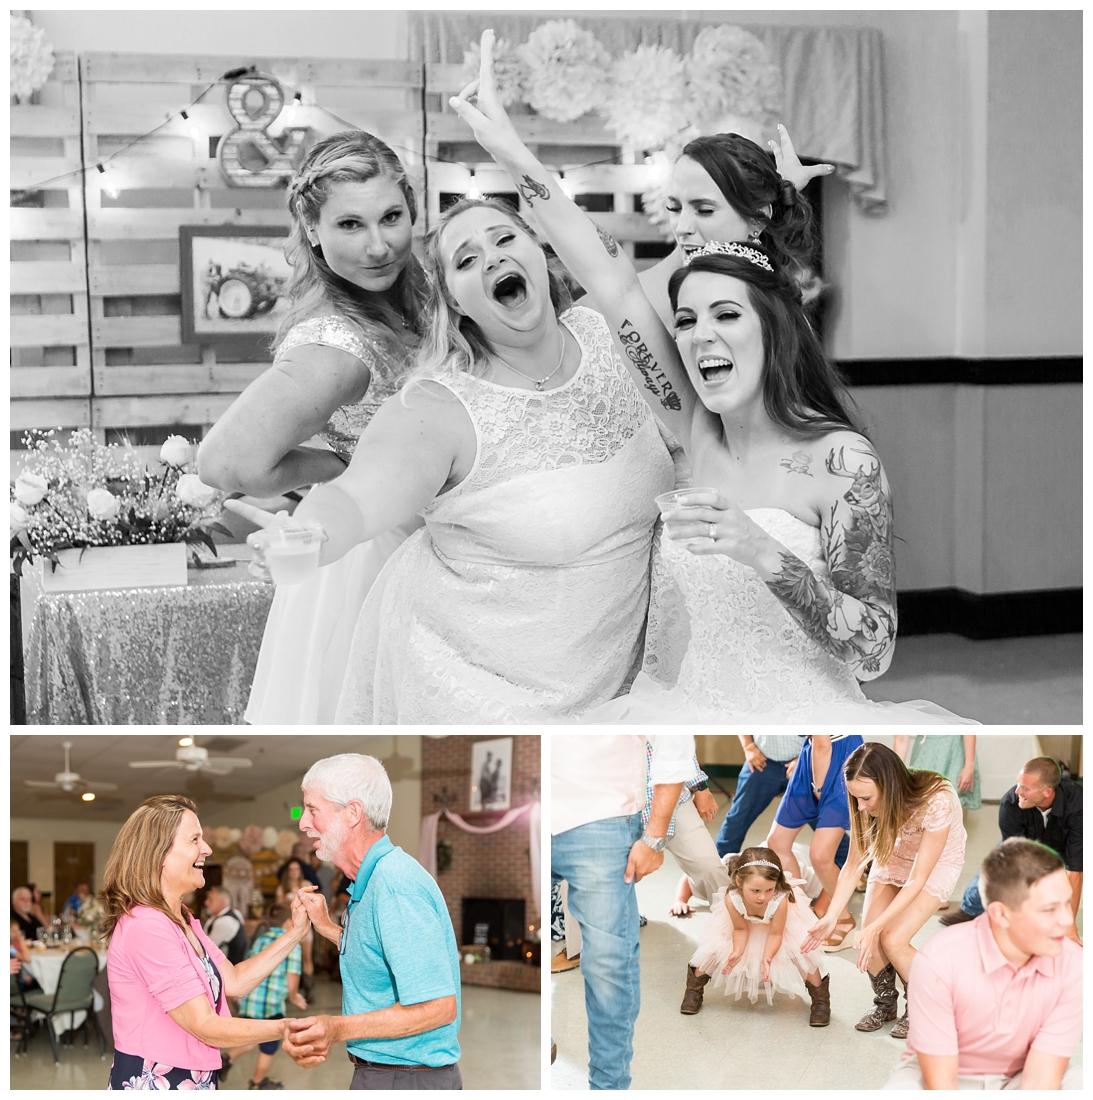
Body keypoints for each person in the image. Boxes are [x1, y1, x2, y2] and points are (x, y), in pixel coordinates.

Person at [452, 30, 977, 727]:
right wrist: (508, 149)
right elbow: (603, 275)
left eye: (724, 315)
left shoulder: (841, 461)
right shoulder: (691, 431)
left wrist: (763, 553)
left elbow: (875, 651)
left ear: (771, 325)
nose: (697, 337)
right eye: (687, 320)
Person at [232, 195, 675, 723]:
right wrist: (309, 537)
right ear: (456, 302)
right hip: (478, 694)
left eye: (505, 239)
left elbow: (698, 255)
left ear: (539, 252)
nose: (491, 259)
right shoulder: (436, 407)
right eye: (466, 260)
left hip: (618, 685)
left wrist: (775, 194)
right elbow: (356, 499)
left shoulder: (611, 331)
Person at [198, 130, 429, 724]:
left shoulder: (419, 302)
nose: (379, 246)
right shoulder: (338, 345)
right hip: (380, 559)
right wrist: (345, 466)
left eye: (391, 217)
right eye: (351, 225)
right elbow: (224, 463)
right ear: (314, 233)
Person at [102, 795, 315, 1090]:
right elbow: (204, 1025)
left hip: (194, 1074)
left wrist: (295, 932)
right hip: (158, 1078)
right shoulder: (147, 925)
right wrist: (286, 1027)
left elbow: (236, 981)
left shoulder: (183, 918)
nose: (207, 849)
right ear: (158, 854)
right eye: (194, 840)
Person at [282, 754, 462, 1089]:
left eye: (312, 809)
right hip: (390, 1074)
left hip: (405, 1079)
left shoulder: (394, 884)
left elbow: (438, 1007)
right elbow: (381, 952)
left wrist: (336, 1028)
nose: (303, 823)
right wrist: (328, 928)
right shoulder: (374, 878)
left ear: (352, 813)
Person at [552, 735, 694, 1090]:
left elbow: (671, 737)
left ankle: (608, 1087)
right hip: (526, 806)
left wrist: (655, 836)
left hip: (599, 814)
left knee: (607, 966)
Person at [884, 839, 1082, 1090]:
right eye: (1049, 909)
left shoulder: (1074, 964)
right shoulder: (938, 961)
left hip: (1024, 1072)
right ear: (1000, 914)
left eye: (1067, 903)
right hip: (939, 1073)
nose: (1067, 920)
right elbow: (941, 1083)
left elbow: (1041, 1078)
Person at [801, 742, 967, 1041]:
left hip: (933, 863)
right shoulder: (863, 802)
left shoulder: (937, 799)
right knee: (871, 941)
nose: (861, 806)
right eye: (856, 798)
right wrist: (832, 916)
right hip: (892, 854)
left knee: (892, 938)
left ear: (888, 785)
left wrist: (876, 926)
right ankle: (885, 1003)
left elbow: (918, 879)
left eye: (866, 798)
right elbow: (853, 865)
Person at [686, 846, 831, 1026]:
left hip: (780, 928)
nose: (762, 897)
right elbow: (740, 929)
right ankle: (693, 991)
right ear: (739, 882)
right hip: (745, 926)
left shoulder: (779, 899)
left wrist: (767, 957)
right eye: (755, 891)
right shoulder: (732, 898)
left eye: (769, 889)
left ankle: (821, 1001)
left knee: (801, 951)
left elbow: (776, 933)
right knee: (714, 948)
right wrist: (738, 951)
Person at [940, 757, 1081, 941]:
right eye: (1018, 784)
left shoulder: (1080, 804)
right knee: (999, 865)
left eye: (1025, 788)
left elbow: (1075, 871)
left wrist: (1069, 927)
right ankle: (970, 909)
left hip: (1065, 844)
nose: (1017, 791)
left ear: (1047, 792)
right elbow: (1018, 863)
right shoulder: (1011, 802)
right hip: (1026, 845)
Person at [765, 735, 857, 947]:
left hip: (837, 759)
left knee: (820, 855)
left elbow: (824, 742)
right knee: (777, 843)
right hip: (812, 756)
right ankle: (804, 915)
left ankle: (843, 918)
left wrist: (818, 786)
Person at [222, 903, 309, 1092]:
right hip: (270, 1004)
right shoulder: (292, 941)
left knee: (253, 1037)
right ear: (288, 921)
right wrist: (294, 997)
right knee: (270, 1043)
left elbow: (249, 964)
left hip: (251, 999)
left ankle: (227, 1059)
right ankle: (257, 1083)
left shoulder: (262, 938)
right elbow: (292, 977)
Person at [714, 735, 802, 858]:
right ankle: (717, 868)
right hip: (761, 761)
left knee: (827, 822)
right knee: (737, 819)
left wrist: (806, 758)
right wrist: (748, 746)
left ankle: (838, 868)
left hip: (803, 763)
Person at [274, 858, 316, 998]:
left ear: (300, 871)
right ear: (288, 872)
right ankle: (289, 991)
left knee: (306, 957)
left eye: (296, 869)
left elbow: (314, 904)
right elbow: (278, 910)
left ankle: (308, 990)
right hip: (289, 927)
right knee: (289, 958)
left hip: (304, 925)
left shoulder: (306, 885)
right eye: (291, 870)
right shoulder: (282, 888)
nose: (294, 872)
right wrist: (287, 901)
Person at [202, 885, 248, 966]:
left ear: (221, 902)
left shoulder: (226, 921)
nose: (206, 902)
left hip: (228, 971)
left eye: (210, 899)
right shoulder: (235, 913)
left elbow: (206, 948)